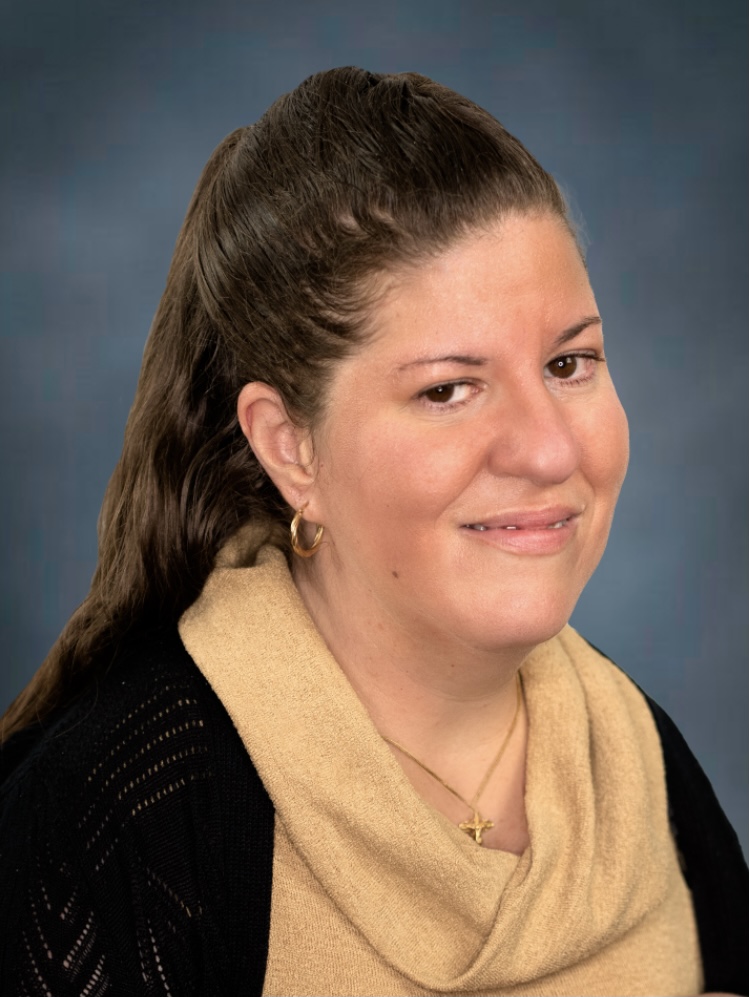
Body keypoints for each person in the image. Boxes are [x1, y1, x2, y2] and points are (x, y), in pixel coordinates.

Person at [0, 67, 746, 997]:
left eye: (569, 362)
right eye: (446, 389)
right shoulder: (111, 822)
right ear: (290, 448)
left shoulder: (634, 754)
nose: (550, 449)